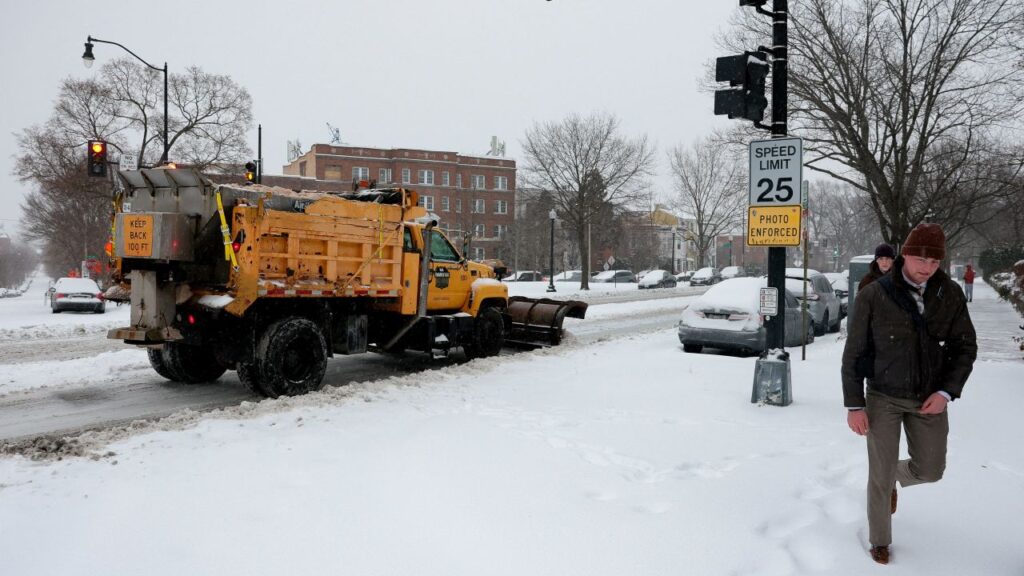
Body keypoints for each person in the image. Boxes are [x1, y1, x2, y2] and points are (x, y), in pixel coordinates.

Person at [841, 223, 977, 565]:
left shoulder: (950, 294)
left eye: (935, 261)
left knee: (930, 469)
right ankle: (880, 541)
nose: (926, 267)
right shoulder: (875, 293)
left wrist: (946, 391)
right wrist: (855, 404)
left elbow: (965, 346)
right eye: (920, 258)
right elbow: (854, 353)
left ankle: (893, 479)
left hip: (929, 397)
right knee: (879, 472)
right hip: (883, 396)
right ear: (905, 254)